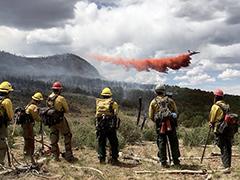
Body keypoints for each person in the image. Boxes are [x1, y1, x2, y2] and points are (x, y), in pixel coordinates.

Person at [149, 84, 180, 168]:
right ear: (164, 91)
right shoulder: (170, 101)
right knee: (173, 142)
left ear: (156, 92)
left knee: (161, 142)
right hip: (171, 125)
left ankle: (163, 162)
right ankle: (176, 161)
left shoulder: (153, 102)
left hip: (160, 126)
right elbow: (176, 112)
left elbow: (151, 116)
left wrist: (158, 121)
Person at [46, 81, 76, 162]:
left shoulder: (49, 97)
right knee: (67, 135)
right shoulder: (61, 98)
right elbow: (66, 110)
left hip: (51, 120)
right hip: (60, 120)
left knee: (54, 136)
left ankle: (55, 156)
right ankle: (69, 155)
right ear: (59, 90)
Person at [209, 89, 233, 172]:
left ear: (216, 97)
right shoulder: (226, 105)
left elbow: (212, 118)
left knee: (223, 146)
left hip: (220, 129)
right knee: (228, 146)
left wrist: (211, 123)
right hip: (228, 128)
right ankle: (227, 165)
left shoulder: (215, 106)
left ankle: (226, 167)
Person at [95, 87, 119, 165]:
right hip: (110, 126)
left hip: (100, 125)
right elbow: (116, 114)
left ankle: (102, 159)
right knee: (114, 142)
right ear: (110, 95)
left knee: (101, 142)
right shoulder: (113, 103)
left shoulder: (98, 103)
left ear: (102, 95)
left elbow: (97, 115)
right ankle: (114, 158)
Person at [21, 92, 43, 164]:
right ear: (38, 100)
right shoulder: (33, 107)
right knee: (30, 140)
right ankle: (30, 155)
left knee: (26, 139)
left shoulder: (28, 105)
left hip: (24, 125)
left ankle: (26, 153)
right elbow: (36, 117)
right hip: (28, 125)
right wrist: (42, 119)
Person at [0, 81, 14, 166]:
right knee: (2, 145)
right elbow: (10, 115)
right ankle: (1, 164)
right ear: (8, 92)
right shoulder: (6, 101)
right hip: (1, 126)